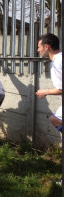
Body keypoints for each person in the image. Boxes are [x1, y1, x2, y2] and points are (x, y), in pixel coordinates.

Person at [36, 33, 62, 185]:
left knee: (54, 119)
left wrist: (44, 91)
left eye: (39, 47)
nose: (38, 50)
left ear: (47, 47)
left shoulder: (58, 62)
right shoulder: (58, 60)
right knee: (54, 119)